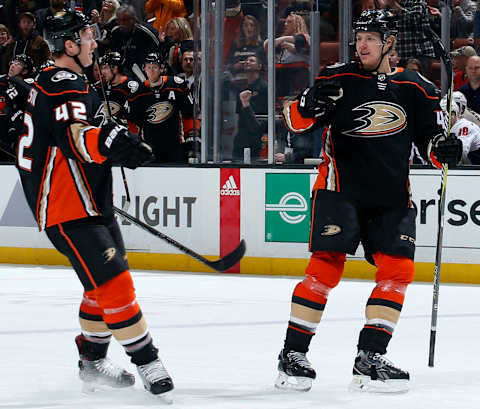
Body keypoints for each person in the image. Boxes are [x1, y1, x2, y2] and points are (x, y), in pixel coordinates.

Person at [278, 9, 462, 393]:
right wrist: (307, 104)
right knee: (324, 270)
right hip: (339, 190)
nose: (361, 44)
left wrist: (443, 149)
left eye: (371, 38)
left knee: (398, 272)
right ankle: (292, 356)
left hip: (392, 197)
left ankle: (370, 357)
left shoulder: (416, 87)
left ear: (389, 44)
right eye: (359, 37)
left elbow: (429, 142)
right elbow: (295, 122)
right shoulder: (336, 77)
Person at [16, 10, 174, 398]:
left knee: (97, 286)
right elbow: (74, 137)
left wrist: (111, 138)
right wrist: (107, 143)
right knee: (115, 283)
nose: (94, 42)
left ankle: (91, 358)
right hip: (66, 205)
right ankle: (148, 361)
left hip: (87, 199)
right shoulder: (63, 80)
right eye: (86, 37)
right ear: (69, 45)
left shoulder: (61, 79)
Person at [128, 52, 198, 163]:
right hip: (149, 148)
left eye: (155, 67)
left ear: (162, 69)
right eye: (148, 67)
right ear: (144, 69)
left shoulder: (177, 85)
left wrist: (192, 137)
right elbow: (133, 121)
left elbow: (189, 113)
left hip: (174, 146)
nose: (151, 70)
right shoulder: (137, 93)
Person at [95, 51, 140, 129]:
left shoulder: (131, 87)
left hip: (127, 134)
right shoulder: (99, 87)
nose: (102, 72)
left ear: (115, 69)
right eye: (101, 68)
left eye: (105, 68)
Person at [440, 96, 480, 164]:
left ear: (457, 115)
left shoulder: (465, 126)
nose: (446, 118)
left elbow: (462, 152)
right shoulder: (437, 125)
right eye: (443, 114)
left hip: (475, 160)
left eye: (451, 114)